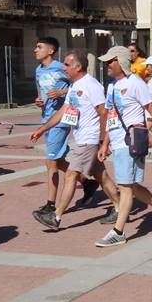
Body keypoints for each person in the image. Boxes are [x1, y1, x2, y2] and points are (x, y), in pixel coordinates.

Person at [95, 46, 152, 247]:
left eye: (110, 61)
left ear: (121, 63)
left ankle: (118, 231)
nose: (106, 65)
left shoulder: (136, 83)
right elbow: (110, 116)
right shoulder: (112, 86)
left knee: (124, 186)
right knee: (130, 185)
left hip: (130, 141)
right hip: (116, 142)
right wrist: (104, 143)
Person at [31, 49, 120, 229]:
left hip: (90, 138)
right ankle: (120, 206)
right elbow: (63, 111)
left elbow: (103, 112)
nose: (63, 68)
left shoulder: (90, 85)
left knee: (71, 174)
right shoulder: (73, 86)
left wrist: (103, 141)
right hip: (82, 138)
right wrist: (43, 129)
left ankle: (56, 217)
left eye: (66, 64)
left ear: (78, 67)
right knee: (100, 174)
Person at [33, 37, 71, 215]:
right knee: (59, 161)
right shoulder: (38, 70)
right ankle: (88, 181)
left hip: (61, 119)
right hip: (46, 119)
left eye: (39, 47)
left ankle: (50, 204)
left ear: (50, 51)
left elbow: (80, 86)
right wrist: (39, 101)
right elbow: (40, 94)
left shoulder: (61, 67)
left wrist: (61, 92)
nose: (35, 50)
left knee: (51, 162)